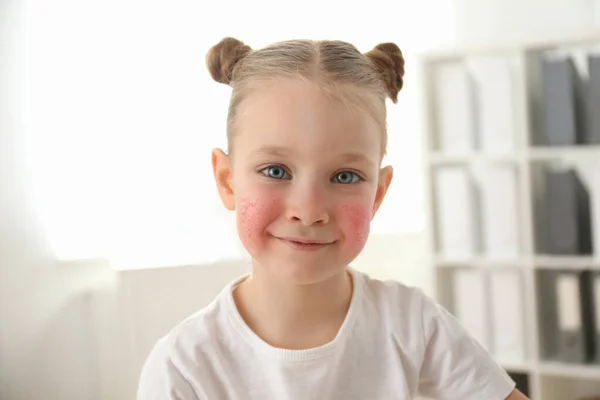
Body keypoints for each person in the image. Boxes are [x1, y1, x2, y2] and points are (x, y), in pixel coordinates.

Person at [137, 36, 529, 400]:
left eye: (345, 177)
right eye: (276, 171)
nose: (308, 210)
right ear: (227, 180)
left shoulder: (414, 325)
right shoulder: (183, 367)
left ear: (377, 194)